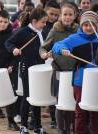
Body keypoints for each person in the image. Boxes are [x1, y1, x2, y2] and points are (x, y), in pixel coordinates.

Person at [52, 10, 98, 134]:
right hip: (80, 81)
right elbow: (56, 46)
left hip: (96, 81)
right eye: (86, 24)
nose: (89, 28)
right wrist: (63, 49)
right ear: (81, 25)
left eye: (92, 25)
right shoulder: (75, 38)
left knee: (95, 112)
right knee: (80, 111)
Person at [5, 7, 48, 134]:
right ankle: (23, 126)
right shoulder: (23, 32)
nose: (45, 25)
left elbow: (44, 47)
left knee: (37, 97)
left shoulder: (42, 32)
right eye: (43, 22)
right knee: (28, 97)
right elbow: (8, 42)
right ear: (34, 21)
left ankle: (37, 126)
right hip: (27, 69)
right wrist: (14, 49)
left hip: (39, 69)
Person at [40, 2, 79, 133]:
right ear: (60, 16)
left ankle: (68, 128)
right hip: (59, 70)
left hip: (74, 72)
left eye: (70, 14)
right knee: (60, 102)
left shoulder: (78, 30)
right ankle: (61, 129)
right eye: (65, 14)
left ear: (75, 16)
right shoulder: (55, 30)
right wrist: (44, 54)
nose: (67, 17)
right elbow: (43, 47)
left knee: (70, 101)